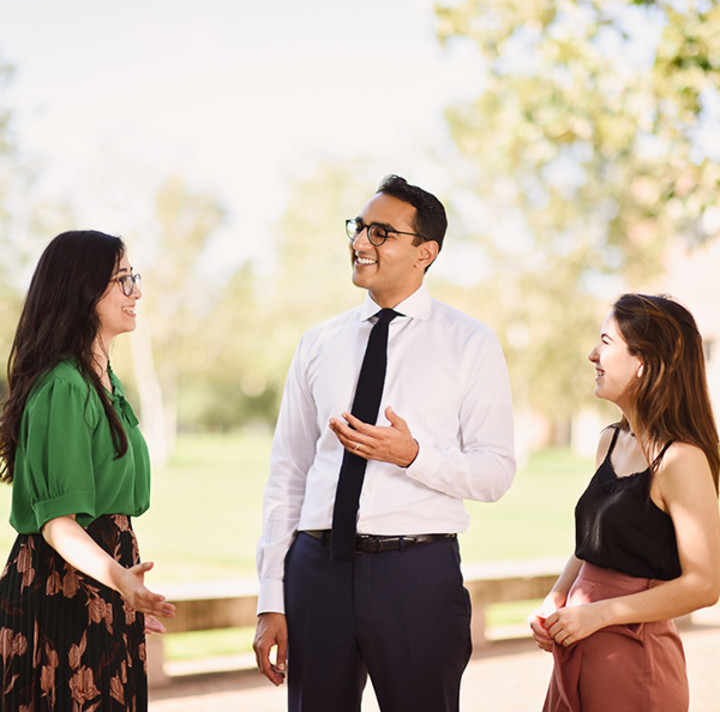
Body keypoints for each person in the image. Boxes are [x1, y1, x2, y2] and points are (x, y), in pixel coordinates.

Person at [253, 174, 516, 712]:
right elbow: (288, 474)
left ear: (426, 252)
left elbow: (496, 472)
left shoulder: (470, 343)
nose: (360, 243)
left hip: (416, 576)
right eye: (358, 228)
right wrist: (271, 599)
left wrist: (413, 456)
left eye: (381, 232)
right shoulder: (317, 343)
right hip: (317, 571)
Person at [0, 230, 175, 711]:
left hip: (101, 586)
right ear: (82, 290)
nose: (136, 291)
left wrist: (125, 588)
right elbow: (59, 523)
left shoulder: (104, 382)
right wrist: (119, 579)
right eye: (123, 279)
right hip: (63, 591)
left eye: (133, 277)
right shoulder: (64, 387)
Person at [529, 293, 720, 712]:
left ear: (645, 364)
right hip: (579, 643)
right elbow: (593, 545)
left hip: (632, 659)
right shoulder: (609, 442)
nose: (593, 354)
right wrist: (557, 598)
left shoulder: (681, 460)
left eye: (606, 342)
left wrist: (598, 614)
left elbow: (705, 585)